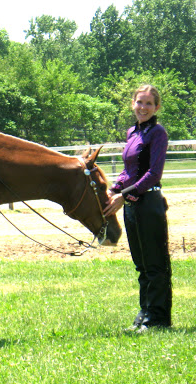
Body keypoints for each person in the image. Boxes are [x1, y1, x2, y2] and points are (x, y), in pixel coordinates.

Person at [103, 84, 171, 332]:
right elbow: (128, 171)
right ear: (133, 103)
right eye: (139, 102)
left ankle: (158, 318)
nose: (143, 107)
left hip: (149, 202)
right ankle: (145, 314)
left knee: (155, 264)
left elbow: (154, 174)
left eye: (149, 104)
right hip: (132, 204)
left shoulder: (158, 133)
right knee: (141, 264)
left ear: (156, 107)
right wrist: (115, 187)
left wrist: (124, 195)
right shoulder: (133, 132)